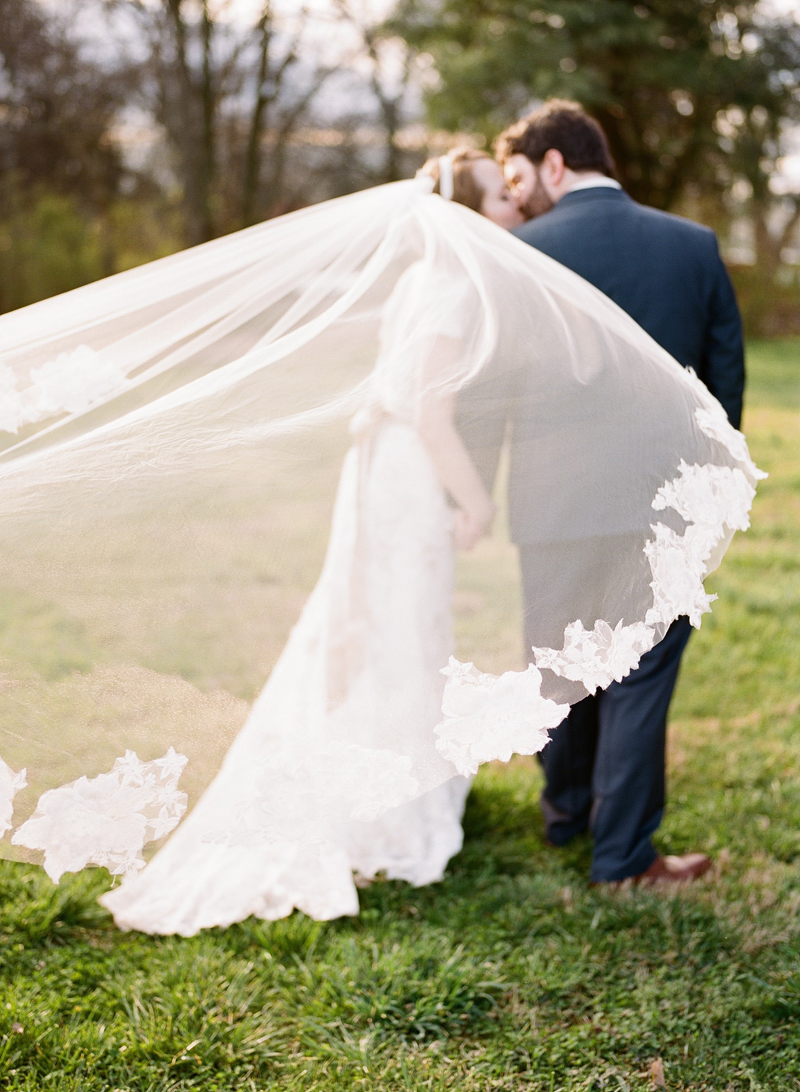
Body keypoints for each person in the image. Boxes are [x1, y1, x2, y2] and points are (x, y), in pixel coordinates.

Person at [0, 145, 758, 934]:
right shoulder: (465, 284)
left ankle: (486, 798)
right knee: (400, 632)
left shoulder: (429, 279)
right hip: (414, 477)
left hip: (398, 473)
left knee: (396, 631)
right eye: (502, 197)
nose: (517, 208)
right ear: (473, 211)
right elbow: (431, 409)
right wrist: (476, 502)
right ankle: (384, 806)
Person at [496, 99, 746, 886]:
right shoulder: (693, 245)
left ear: (555, 162)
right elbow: (723, 388)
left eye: (524, 176)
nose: (523, 194)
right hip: (662, 500)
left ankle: (567, 815)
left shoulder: (517, 254)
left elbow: (492, 385)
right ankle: (624, 855)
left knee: (560, 662)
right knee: (639, 674)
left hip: (550, 503)